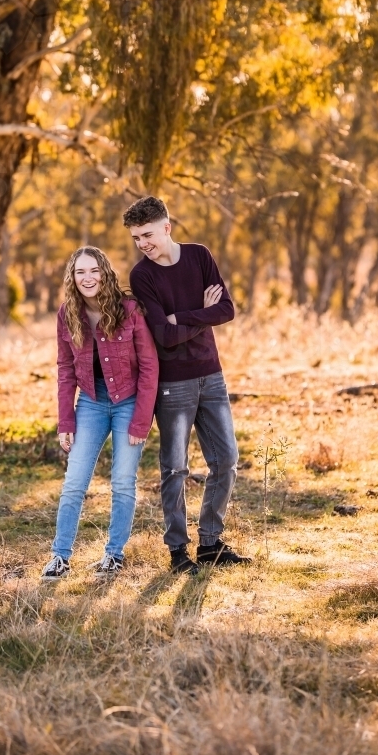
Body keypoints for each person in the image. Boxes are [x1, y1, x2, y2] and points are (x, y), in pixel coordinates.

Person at [123, 196, 250, 575]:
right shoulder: (142, 276)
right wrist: (201, 314)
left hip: (211, 375)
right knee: (175, 468)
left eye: (147, 234)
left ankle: (210, 543)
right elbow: (163, 334)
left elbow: (225, 309)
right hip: (172, 384)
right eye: (135, 238)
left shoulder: (198, 256)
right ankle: (178, 551)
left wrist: (184, 315)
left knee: (226, 461)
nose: (142, 243)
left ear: (166, 226)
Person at [42, 246, 159, 580]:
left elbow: (149, 366)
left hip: (128, 402)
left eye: (93, 270)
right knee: (74, 482)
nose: (88, 278)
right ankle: (60, 556)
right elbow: (65, 369)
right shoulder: (67, 314)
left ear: (105, 272)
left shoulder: (130, 310)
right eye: (80, 272)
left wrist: (141, 420)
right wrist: (66, 420)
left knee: (123, 482)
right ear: (73, 278)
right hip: (91, 403)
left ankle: (114, 555)